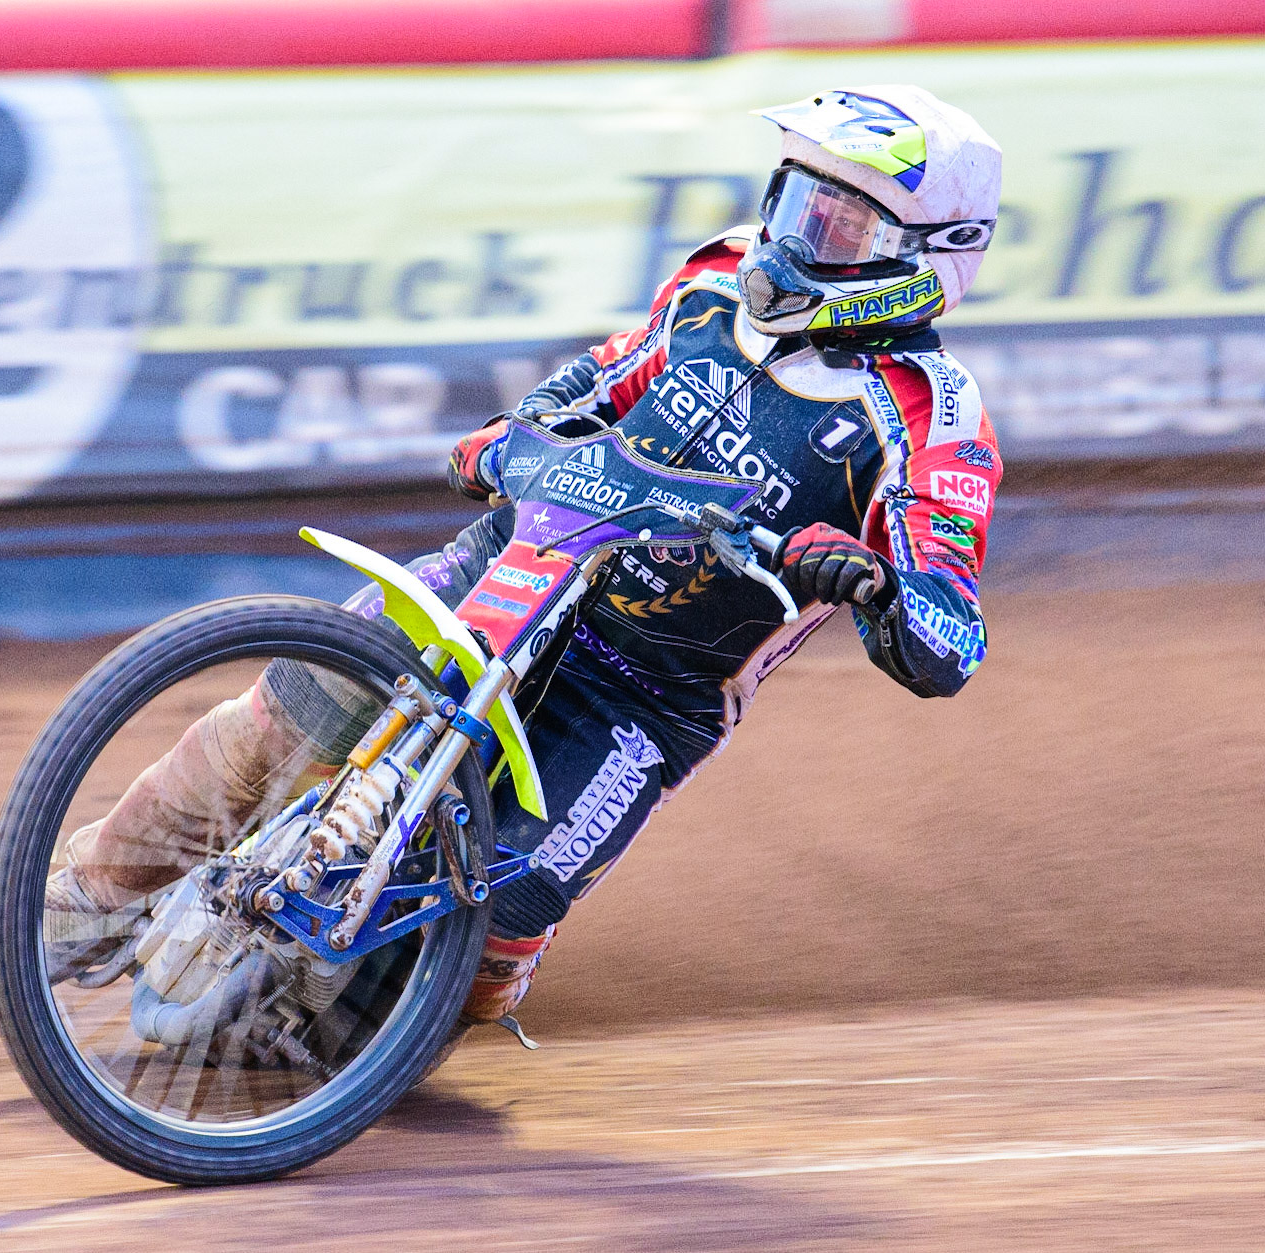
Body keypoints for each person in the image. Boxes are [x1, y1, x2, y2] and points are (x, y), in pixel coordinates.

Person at [50, 85, 1005, 1031]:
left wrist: (873, 583)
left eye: (836, 230)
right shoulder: (714, 278)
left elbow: (949, 640)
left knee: (497, 918)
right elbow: (605, 373)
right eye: (797, 204)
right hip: (513, 561)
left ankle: (410, 1009)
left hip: (641, 692)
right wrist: (524, 427)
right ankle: (79, 898)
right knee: (279, 719)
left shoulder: (933, 423)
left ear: (928, 258)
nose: (796, 243)